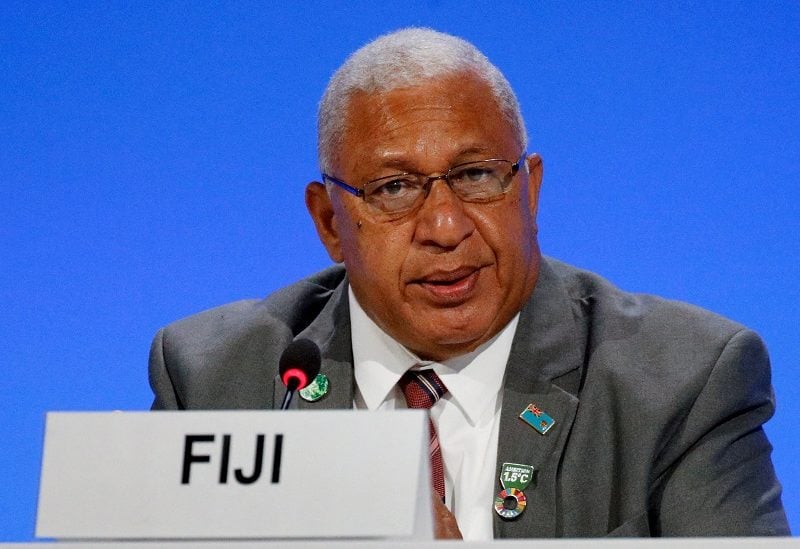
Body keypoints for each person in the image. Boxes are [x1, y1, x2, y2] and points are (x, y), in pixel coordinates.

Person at [148, 28, 789, 539]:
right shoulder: (217, 381)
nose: (446, 226)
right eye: (393, 188)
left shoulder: (685, 384)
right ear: (329, 223)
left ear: (530, 191)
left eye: (478, 175)